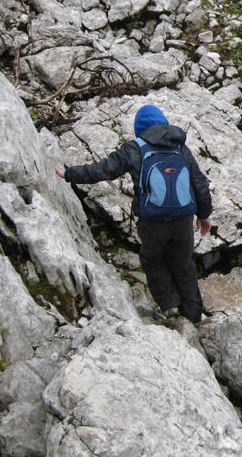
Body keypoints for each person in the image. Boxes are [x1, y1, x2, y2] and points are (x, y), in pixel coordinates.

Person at [55, 104, 212, 324]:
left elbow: (103, 170)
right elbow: (200, 183)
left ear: (140, 128)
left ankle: (170, 308)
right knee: (184, 265)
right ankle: (194, 316)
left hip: (151, 222)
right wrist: (204, 215)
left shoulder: (135, 148)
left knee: (153, 260)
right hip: (183, 221)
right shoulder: (181, 148)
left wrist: (69, 174)